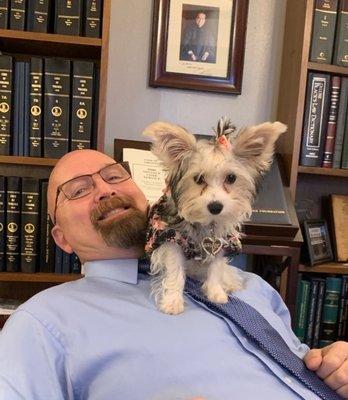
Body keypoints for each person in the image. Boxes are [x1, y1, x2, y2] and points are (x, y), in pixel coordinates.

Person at [0, 148, 347, 399]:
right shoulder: (42, 323)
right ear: (61, 238)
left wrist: (333, 362)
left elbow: (299, 356)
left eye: (114, 176)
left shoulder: (252, 285)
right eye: (78, 190)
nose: (105, 190)